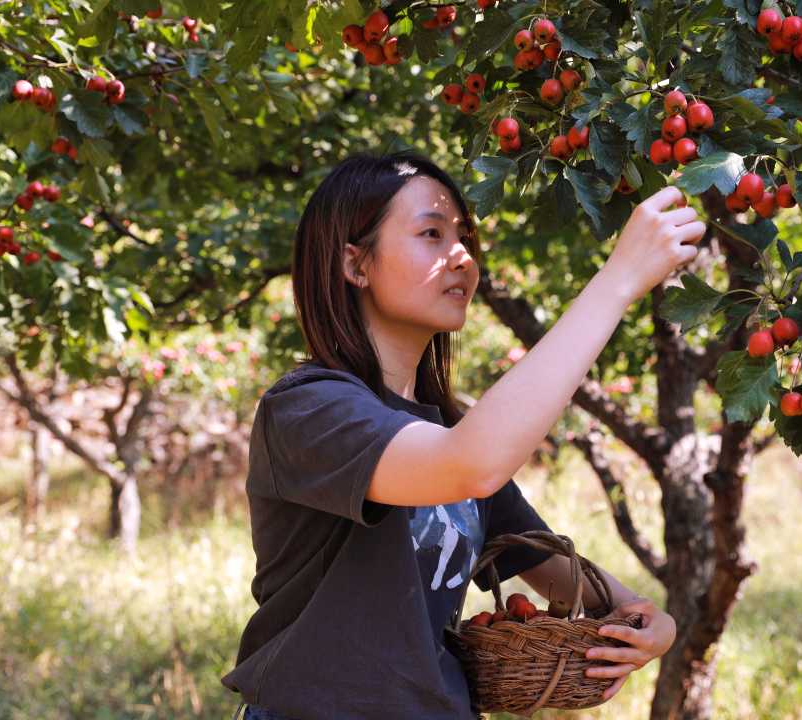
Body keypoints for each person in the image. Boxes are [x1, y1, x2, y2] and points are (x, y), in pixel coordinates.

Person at [221, 150, 701, 719]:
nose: (462, 257)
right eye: (431, 233)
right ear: (356, 263)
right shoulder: (307, 409)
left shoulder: (441, 428)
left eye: (465, 237)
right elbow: (473, 462)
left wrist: (650, 621)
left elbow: (555, 569)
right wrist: (616, 281)